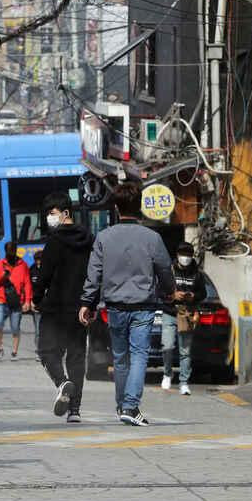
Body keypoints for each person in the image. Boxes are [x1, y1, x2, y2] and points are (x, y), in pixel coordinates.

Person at [79, 182, 184, 426]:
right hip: (143, 305)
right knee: (139, 356)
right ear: (140, 208)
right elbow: (165, 271)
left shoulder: (104, 237)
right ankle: (130, 406)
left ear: (116, 208)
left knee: (120, 357)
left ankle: (122, 405)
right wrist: (170, 292)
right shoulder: (153, 238)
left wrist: (87, 303)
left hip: (114, 306)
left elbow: (93, 274)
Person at [34, 192, 94, 422]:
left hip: (55, 308)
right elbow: (94, 273)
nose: (49, 218)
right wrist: (90, 303)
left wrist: (37, 299)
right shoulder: (88, 239)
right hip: (80, 308)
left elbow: (44, 275)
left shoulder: (55, 240)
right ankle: (75, 410)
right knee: (76, 357)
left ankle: (62, 382)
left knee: (47, 351)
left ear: (65, 213)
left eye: (52, 213)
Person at [160, 242, 206, 396]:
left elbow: (203, 293)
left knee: (185, 351)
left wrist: (193, 296)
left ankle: (184, 382)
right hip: (170, 312)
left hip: (186, 313)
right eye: (182, 254)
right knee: (167, 346)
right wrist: (173, 295)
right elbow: (159, 291)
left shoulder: (197, 274)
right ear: (177, 255)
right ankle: (167, 373)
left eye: (188, 255)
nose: (185, 258)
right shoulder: (170, 271)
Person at [0, 241, 33, 361]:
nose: (11, 253)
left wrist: (27, 301)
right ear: (6, 251)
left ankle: (14, 352)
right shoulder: (0, 264)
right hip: (1, 299)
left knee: (15, 328)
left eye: (12, 251)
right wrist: (3, 276)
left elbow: (27, 284)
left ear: (15, 250)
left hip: (16, 300)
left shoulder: (22, 264)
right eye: (9, 251)